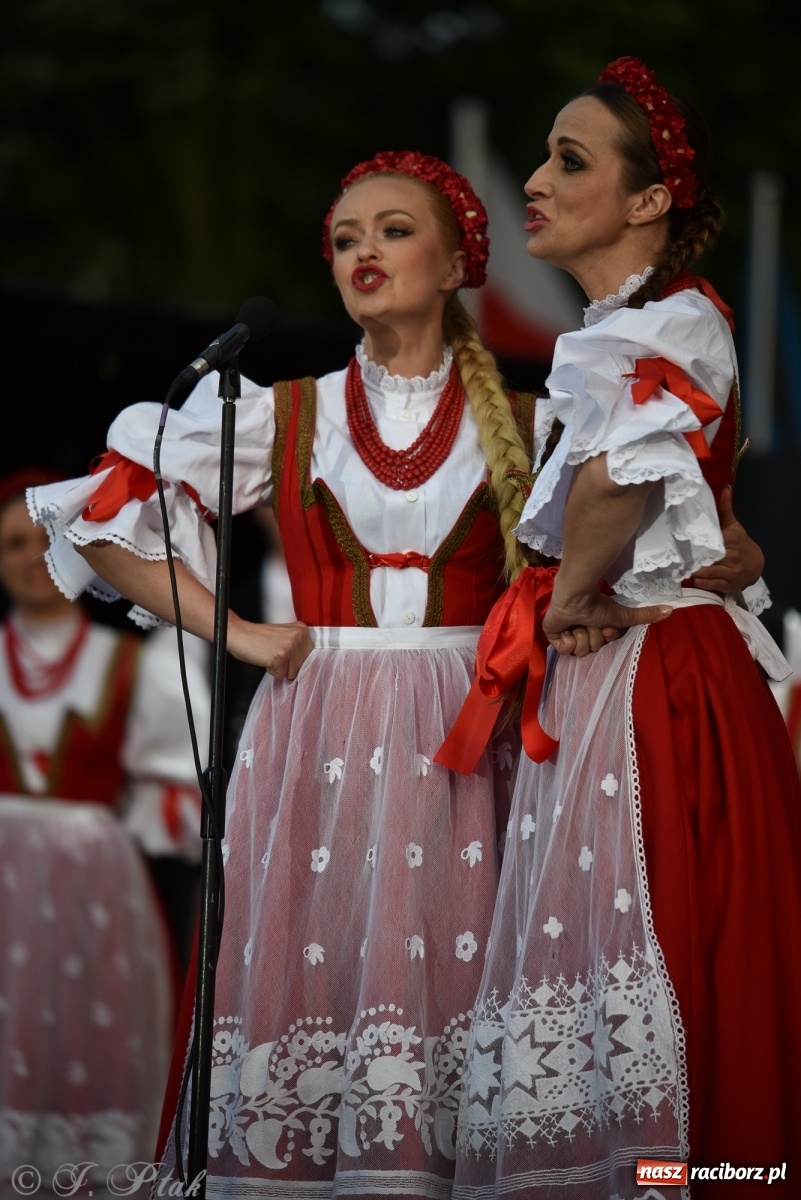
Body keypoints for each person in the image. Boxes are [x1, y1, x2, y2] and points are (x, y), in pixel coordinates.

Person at [28, 150, 763, 1198]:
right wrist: (234, 632)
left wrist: (735, 553)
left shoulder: (537, 413)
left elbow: (690, 520)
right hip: (319, 737)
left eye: (391, 229)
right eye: (343, 240)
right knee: (319, 982)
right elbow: (94, 515)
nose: (363, 250)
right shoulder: (282, 415)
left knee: (463, 990)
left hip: (482, 729)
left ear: (461, 255)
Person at [445, 58, 801, 1198]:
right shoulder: (637, 327)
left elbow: (617, 474)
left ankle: (689, 1173)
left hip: (659, 676)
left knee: (660, 950)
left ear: (650, 202)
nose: (538, 184)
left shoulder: (664, 320)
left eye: (569, 160)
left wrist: (577, 589)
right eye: (544, 156)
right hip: (642, 670)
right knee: (631, 958)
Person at [0, 468, 208, 1186]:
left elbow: (177, 790)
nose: (30, 558)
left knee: (84, 1032)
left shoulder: (130, 663)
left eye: (45, 540)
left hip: (91, 891)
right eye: (13, 543)